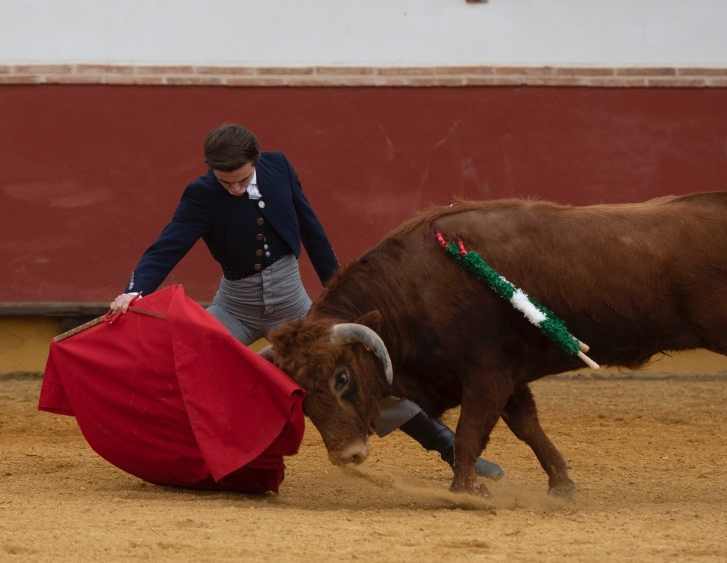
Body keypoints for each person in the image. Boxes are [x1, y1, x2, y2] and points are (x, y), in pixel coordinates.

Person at [110, 123, 503, 479]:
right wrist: (135, 288)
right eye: (224, 182)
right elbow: (169, 243)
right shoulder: (200, 195)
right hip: (235, 307)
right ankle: (188, 461)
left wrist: (339, 293)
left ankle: (453, 451)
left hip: (294, 307)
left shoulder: (279, 168)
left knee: (359, 376)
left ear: (256, 161)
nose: (233, 189)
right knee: (192, 365)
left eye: (241, 180)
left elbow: (312, 231)